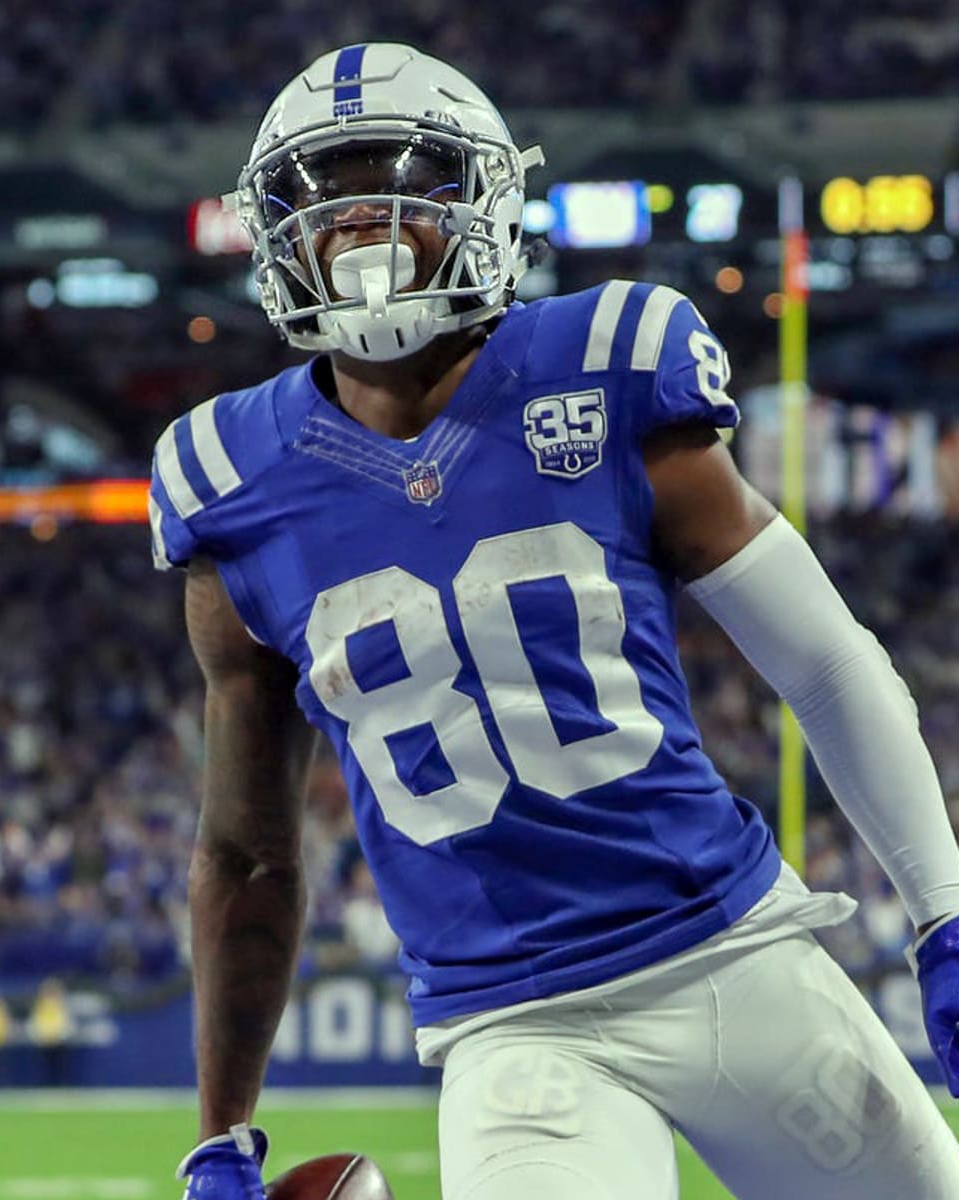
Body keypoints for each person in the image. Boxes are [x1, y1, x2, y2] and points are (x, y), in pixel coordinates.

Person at [158, 43, 959, 1199]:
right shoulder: (227, 479)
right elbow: (244, 852)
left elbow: (827, 663)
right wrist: (220, 1129)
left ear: (481, 200)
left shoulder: (606, 364)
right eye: (320, 190)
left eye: (397, 176)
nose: (354, 216)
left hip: (728, 952)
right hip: (516, 1024)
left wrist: (942, 911)